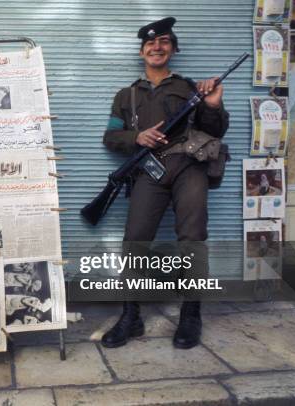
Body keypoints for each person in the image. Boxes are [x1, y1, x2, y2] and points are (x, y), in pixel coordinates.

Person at [100, 17, 229, 350]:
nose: (157, 48)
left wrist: (213, 104)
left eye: (164, 43)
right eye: (150, 44)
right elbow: (111, 137)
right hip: (150, 171)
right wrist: (136, 136)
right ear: (142, 52)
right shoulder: (126, 95)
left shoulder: (190, 88)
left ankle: (191, 314)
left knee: (193, 237)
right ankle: (131, 317)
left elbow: (214, 131)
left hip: (189, 167)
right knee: (135, 239)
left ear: (173, 49)